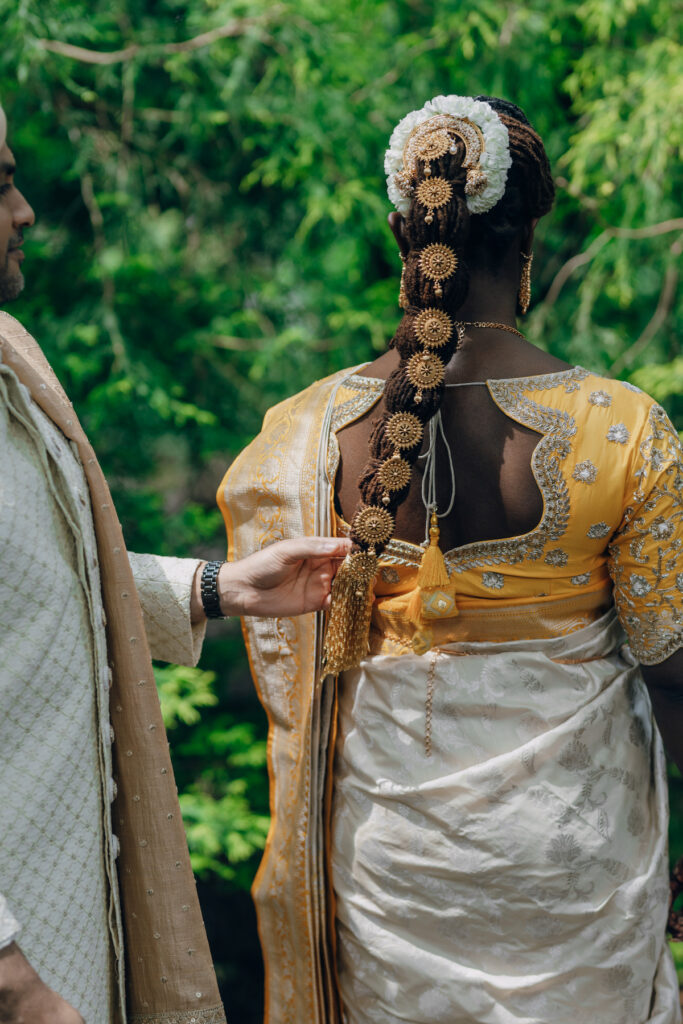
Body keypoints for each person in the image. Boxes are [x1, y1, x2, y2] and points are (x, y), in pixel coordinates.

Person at [218, 93, 683, 1023]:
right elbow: (670, 667)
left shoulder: (305, 433)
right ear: (528, 243)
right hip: (574, 853)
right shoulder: (626, 429)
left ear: (402, 229)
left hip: (390, 860)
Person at [0, 102, 350, 1024]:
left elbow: (34, 580)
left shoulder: (10, 357)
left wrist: (218, 587)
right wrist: (14, 983)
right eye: (0, 183)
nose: (26, 209)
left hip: (65, 906)